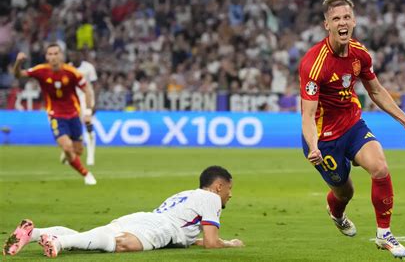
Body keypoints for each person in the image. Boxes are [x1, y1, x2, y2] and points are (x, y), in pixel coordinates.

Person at [299, 0, 405, 259]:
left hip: (353, 124)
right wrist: (313, 146)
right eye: (336, 19)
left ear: (353, 21)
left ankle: (384, 234)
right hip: (323, 139)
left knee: (380, 167)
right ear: (326, 25)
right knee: (345, 192)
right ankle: (336, 212)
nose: (342, 22)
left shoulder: (360, 53)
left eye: (346, 17)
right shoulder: (313, 63)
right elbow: (308, 115)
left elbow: (376, 91)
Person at [3, 166, 244, 257]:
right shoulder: (210, 198)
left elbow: (191, 239)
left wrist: (210, 241)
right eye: (229, 189)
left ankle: (34, 234)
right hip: (160, 228)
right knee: (121, 244)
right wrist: (230, 244)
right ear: (218, 186)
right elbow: (212, 243)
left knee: (100, 236)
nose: (230, 194)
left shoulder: (185, 194)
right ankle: (58, 243)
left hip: (145, 219)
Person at [13, 43, 97, 185]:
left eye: (56, 53)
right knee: (67, 146)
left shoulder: (71, 72)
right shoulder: (41, 71)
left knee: (77, 151)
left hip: (74, 114)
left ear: (61, 55)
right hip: (55, 115)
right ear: (46, 56)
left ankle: (67, 154)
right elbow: (18, 75)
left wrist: (88, 112)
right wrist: (18, 63)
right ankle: (86, 174)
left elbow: (87, 90)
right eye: (50, 54)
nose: (53, 57)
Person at [61, 50, 99, 166]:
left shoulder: (88, 67)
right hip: (73, 102)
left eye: (75, 54)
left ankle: (91, 156)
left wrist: (94, 103)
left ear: (80, 55)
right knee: (73, 130)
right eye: (71, 54)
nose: (73, 56)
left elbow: (96, 86)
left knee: (89, 127)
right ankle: (69, 154)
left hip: (87, 100)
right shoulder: (67, 68)